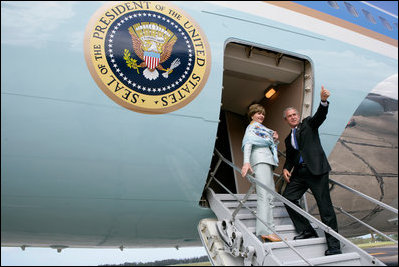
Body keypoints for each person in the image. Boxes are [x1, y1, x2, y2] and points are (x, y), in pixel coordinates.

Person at [281, 86, 341, 256]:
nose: (293, 117)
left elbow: (320, 117)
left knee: (325, 208)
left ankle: (334, 246)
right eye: (289, 116)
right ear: (286, 120)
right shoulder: (288, 138)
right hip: (299, 173)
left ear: (298, 116)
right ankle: (306, 230)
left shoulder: (308, 124)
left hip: (316, 171)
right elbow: (291, 157)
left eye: (294, 115)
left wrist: (323, 102)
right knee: (288, 198)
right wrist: (286, 168)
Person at [241, 104, 281, 243]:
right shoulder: (252, 128)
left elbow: (269, 146)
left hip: (267, 161)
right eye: (258, 113)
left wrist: (274, 140)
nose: (261, 116)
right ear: (252, 115)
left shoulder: (263, 130)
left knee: (270, 197)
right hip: (259, 161)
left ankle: (271, 231)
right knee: (264, 196)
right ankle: (264, 231)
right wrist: (246, 162)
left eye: (263, 114)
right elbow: (248, 144)